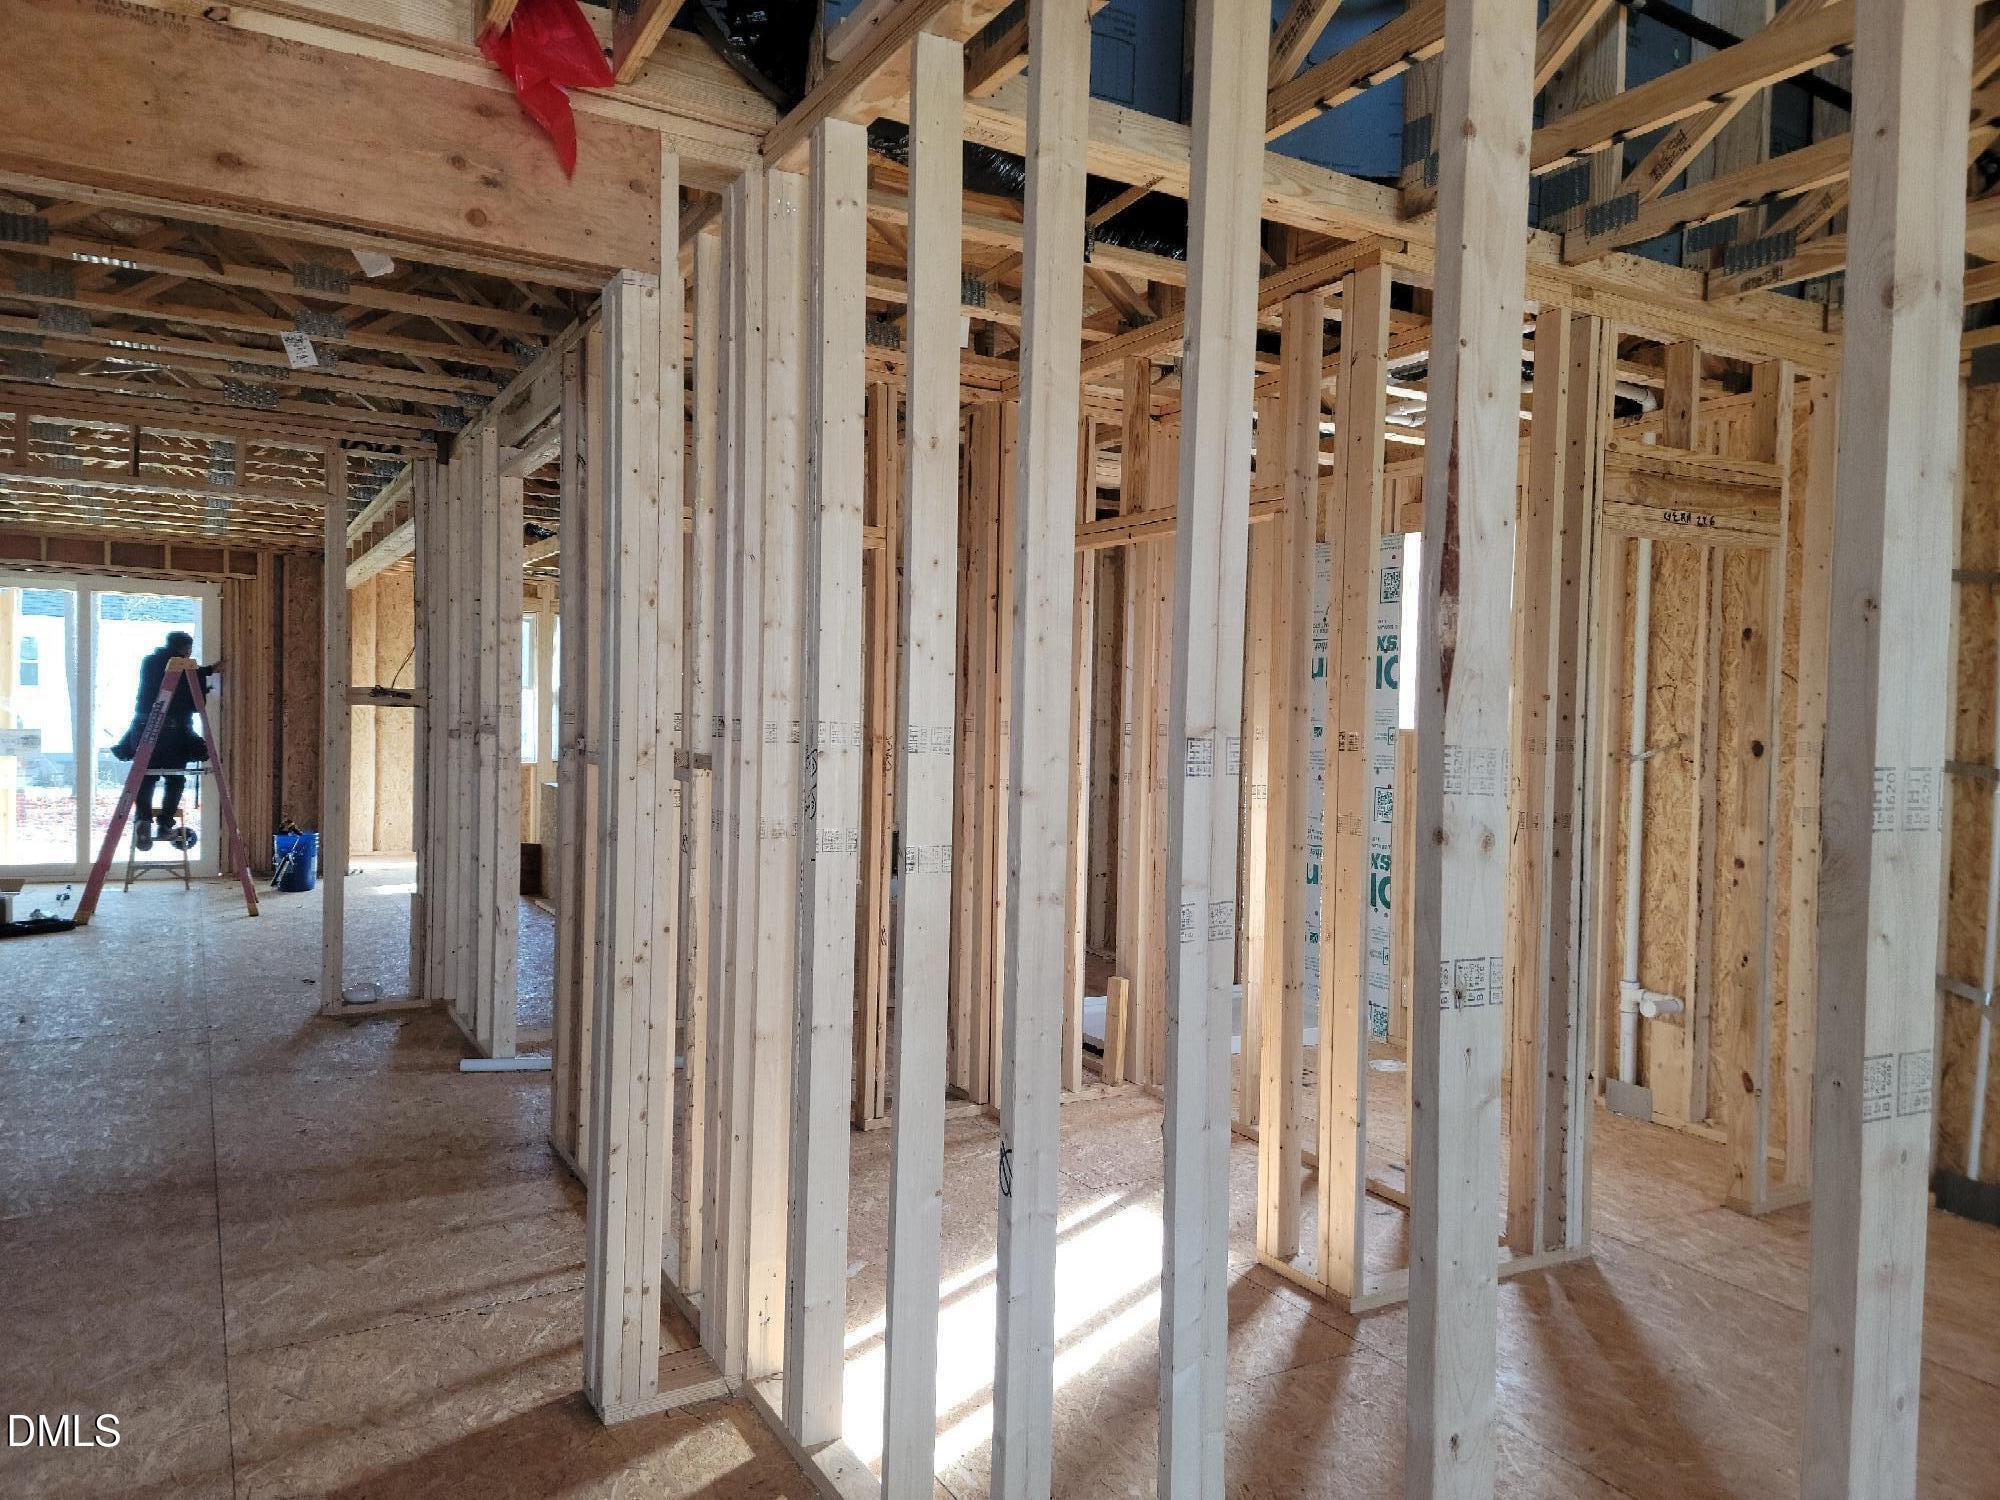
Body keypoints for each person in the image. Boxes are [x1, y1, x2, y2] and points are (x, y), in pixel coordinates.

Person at [111, 630, 218, 851]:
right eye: (188, 650)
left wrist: (206, 671)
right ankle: (165, 825)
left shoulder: (150, 662)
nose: (189, 655)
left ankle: (143, 821)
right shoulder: (181, 666)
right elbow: (188, 685)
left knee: (145, 778)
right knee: (176, 779)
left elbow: (180, 674)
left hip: (143, 731)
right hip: (173, 734)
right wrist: (206, 675)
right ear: (183, 648)